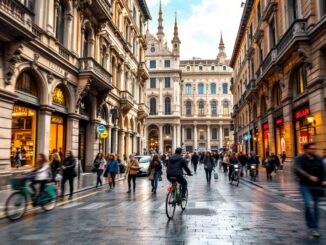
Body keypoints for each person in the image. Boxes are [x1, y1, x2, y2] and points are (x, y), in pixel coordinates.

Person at [294, 143, 326, 238]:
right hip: (305, 185)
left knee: (316, 206)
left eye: (314, 148)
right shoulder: (299, 159)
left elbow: (322, 170)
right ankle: (311, 227)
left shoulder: (318, 159)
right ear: (305, 149)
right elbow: (298, 169)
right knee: (308, 205)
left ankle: (315, 228)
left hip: (316, 185)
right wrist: (308, 176)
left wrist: (324, 179)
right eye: (311, 149)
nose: (313, 150)